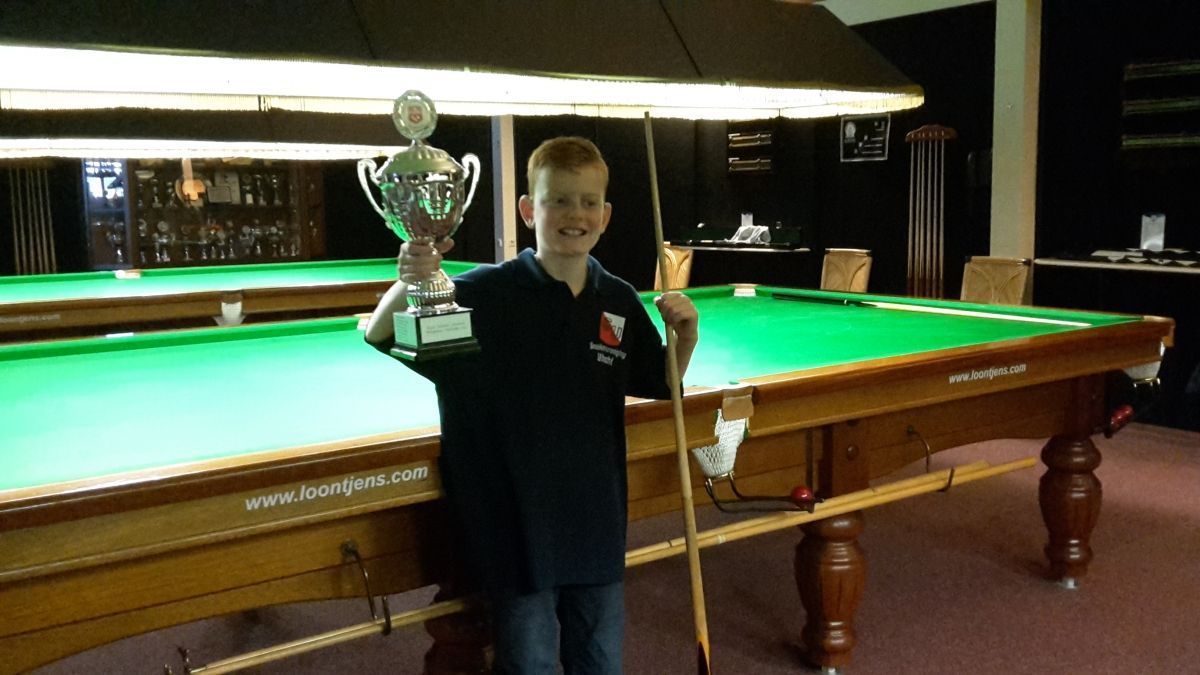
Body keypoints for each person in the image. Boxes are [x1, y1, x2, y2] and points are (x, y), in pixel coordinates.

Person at [365, 136, 699, 674]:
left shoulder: (616, 298)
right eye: (558, 200)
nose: (575, 214)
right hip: (516, 529)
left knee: (601, 663)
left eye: (588, 202)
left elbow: (663, 382)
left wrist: (685, 339)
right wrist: (411, 280)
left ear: (606, 215)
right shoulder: (486, 293)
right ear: (528, 210)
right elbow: (380, 333)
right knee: (529, 664)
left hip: (596, 519)